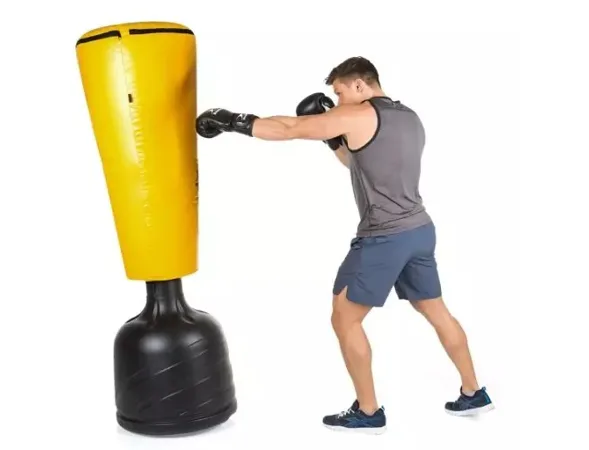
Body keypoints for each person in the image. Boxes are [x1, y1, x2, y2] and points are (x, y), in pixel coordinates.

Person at [196, 56, 494, 434]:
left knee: (344, 317)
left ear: (359, 85)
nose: (336, 102)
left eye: (339, 93)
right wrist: (332, 139)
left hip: (383, 237)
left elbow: (289, 127)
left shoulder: (357, 113)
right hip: (419, 231)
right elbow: (360, 164)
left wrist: (231, 121)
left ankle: (368, 412)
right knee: (436, 311)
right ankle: (474, 391)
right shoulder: (409, 117)